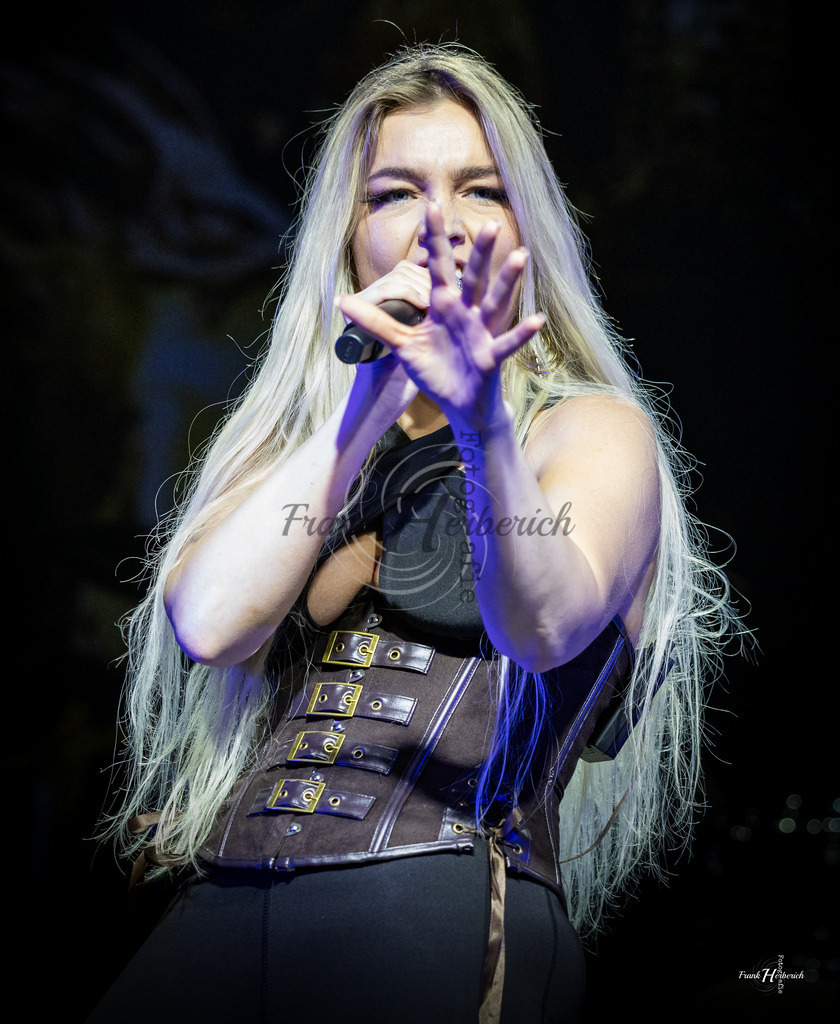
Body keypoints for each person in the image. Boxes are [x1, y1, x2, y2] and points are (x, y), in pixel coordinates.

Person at [91, 44, 738, 1024]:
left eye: (479, 188)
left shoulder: (590, 430)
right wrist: (363, 405)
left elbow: (552, 622)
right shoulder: (294, 445)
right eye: (395, 192)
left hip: (432, 894)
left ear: (528, 226)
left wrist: (482, 422)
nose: (438, 224)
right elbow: (213, 624)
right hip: (222, 899)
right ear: (350, 236)